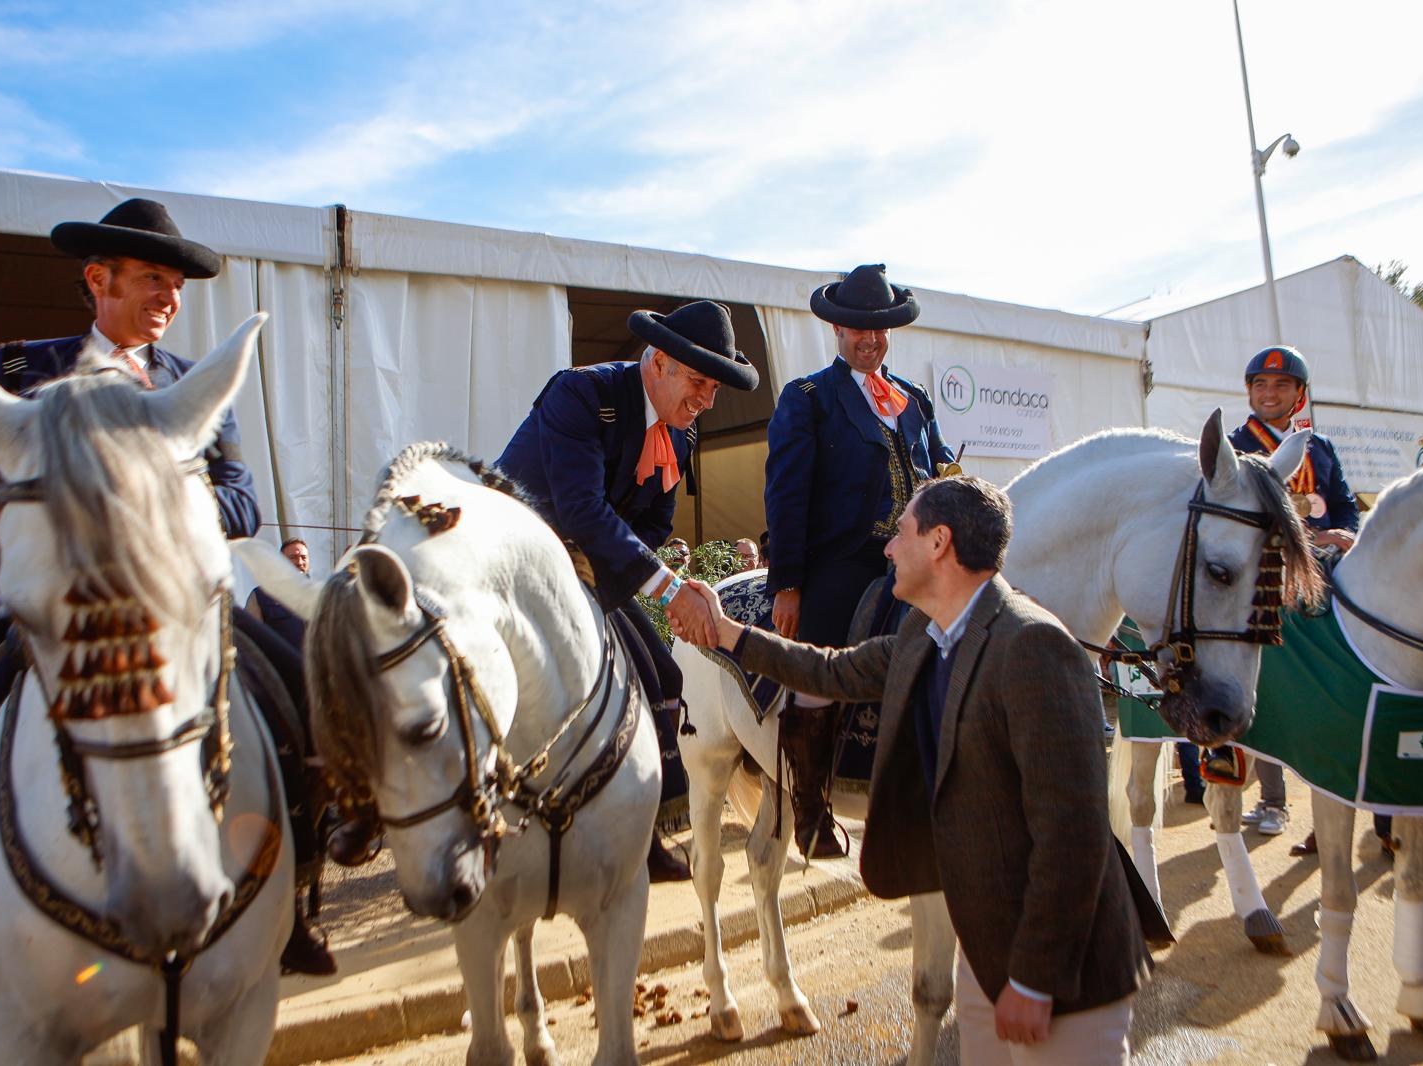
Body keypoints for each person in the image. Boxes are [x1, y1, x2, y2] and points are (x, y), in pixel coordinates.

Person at [0, 200, 330, 1052]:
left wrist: (150, 500)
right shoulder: (26, 369)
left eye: (175, 285)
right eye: (151, 280)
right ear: (97, 279)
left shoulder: (190, 377)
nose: (169, 298)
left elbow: (244, 499)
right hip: (48, 620)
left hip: (183, 608)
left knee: (308, 717)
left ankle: (288, 908)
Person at [678, 477, 1166, 1063]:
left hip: (1065, 969)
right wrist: (728, 633)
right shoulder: (923, 631)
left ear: (939, 543)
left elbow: (1074, 835)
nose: (888, 548)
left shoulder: (1035, 646)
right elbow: (831, 672)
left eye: (901, 533)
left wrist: (1036, 980)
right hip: (986, 956)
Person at [498, 299, 760, 882]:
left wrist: (626, 569)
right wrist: (669, 590)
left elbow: (654, 526)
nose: (708, 400)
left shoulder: (680, 439)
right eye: (699, 382)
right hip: (518, 558)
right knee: (600, 681)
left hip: (585, 566)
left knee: (663, 678)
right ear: (660, 362)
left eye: (716, 388)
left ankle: (642, 836)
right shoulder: (581, 394)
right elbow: (581, 509)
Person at [763, 263, 954, 858]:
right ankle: (811, 806)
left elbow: (941, 465)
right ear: (837, 331)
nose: (870, 339)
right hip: (842, 559)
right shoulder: (809, 398)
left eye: (880, 329)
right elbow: (786, 494)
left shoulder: (914, 400)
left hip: (916, 559)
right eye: (857, 329)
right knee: (820, 663)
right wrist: (789, 583)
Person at [1213, 346, 1361, 846]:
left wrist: (1339, 532)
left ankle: (1332, 810)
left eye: (1280, 386)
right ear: (1249, 393)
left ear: (1299, 394)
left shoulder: (1318, 447)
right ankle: (1271, 800)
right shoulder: (1232, 446)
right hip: (1265, 583)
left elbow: (1344, 506)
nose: (1269, 394)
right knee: (1269, 690)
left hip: (1320, 582)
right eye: (1260, 385)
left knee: (1335, 688)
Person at [247, 538, 312, 649]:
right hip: (279, 664)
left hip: (315, 664)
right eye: (293, 558)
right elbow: (249, 638)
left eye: (303, 557)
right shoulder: (261, 596)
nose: (300, 562)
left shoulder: (321, 593)